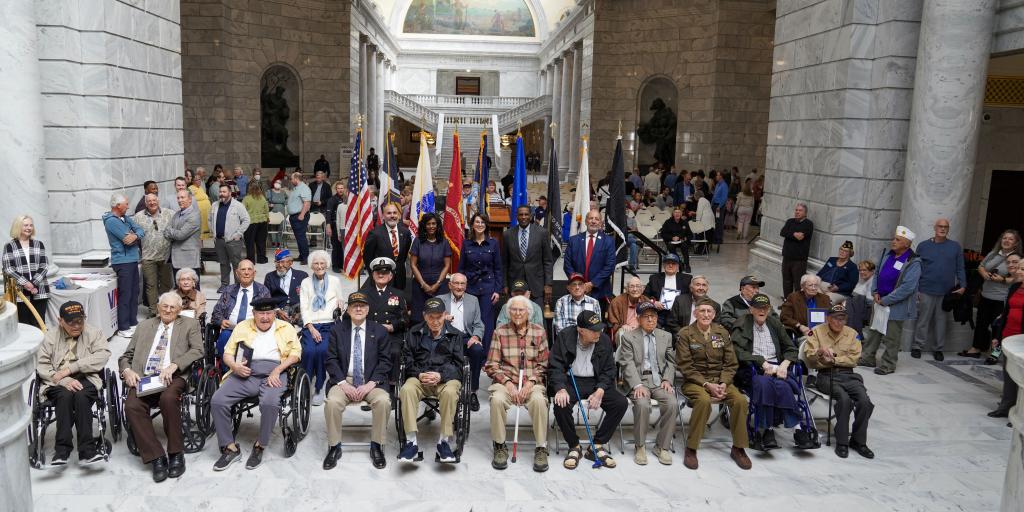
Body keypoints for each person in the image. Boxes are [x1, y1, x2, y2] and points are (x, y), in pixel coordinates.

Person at [118, 292, 203, 482]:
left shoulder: (190, 325)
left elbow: (198, 350)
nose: (168, 310)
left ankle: (175, 452)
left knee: (168, 399)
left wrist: (175, 365)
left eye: (173, 307)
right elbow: (126, 356)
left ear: (180, 310)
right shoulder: (145, 326)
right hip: (145, 377)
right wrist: (127, 371)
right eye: (164, 306)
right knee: (132, 406)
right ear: (158, 307)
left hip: (173, 377)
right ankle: (156, 456)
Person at [211, 296, 302, 471]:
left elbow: (296, 353)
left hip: (276, 371)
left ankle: (260, 445)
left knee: (269, 402)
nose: (265, 317)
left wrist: (278, 370)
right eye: (261, 313)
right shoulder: (243, 326)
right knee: (218, 400)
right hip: (246, 371)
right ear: (254, 313)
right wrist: (235, 366)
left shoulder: (286, 327)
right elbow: (227, 353)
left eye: (269, 313)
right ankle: (229, 447)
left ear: (274, 313)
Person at [731, 294, 817, 451]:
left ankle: (797, 430)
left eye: (765, 308)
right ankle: (767, 429)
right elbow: (737, 351)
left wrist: (784, 364)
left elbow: (791, 348)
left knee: (782, 386)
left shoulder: (774, 324)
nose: (761, 311)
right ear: (751, 309)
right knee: (765, 383)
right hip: (753, 369)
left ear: (769, 309)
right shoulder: (742, 324)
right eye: (758, 308)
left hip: (777, 368)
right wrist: (760, 362)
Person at [675, 299, 751, 470]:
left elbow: (731, 363)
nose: (706, 315)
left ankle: (738, 448)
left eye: (709, 311)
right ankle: (691, 448)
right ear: (695, 313)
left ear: (714, 315)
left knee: (740, 401)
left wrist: (724, 383)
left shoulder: (722, 332)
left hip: (721, 380)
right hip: (695, 382)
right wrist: (707, 385)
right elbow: (685, 366)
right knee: (703, 401)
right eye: (702, 311)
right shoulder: (685, 334)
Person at [35, 301, 111, 466]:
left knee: (82, 397)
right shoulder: (49, 337)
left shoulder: (94, 333)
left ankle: (87, 451)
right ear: (60, 320)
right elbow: (42, 366)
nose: (77, 326)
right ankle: (62, 450)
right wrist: (62, 379)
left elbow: (103, 355)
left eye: (80, 321)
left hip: (87, 376)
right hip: (56, 380)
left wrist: (71, 369)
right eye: (71, 322)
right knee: (65, 397)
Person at [549, 310, 627, 469]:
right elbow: (554, 366)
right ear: (581, 330)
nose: (599, 332)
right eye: (594, 330)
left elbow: (610, 370)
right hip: (571, 380)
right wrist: (560, 388)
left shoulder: (603, 340)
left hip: (596, 380)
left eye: (600, 328)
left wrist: (600, 390)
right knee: (560, 404)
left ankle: (597, 444)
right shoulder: (565, 337)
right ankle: (574, 445)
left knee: (620, 403)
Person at [322, 292, 392, 469]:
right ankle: (334, 446)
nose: (358, 308)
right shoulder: (338, 330)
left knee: (383, 401)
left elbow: (385, 361)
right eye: (354, 306)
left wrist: (370, 384)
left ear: (368, 309)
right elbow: (331, 360)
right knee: (332, 403)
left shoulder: (380, 331)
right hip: (344, 380)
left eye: (362, 306)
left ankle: (376, 445)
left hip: (371, 381)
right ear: (348, 310)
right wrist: (343, 384)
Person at [485, 295, 551, 472]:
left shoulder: (539, 332)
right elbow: (491, 365)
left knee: (538, 401)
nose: (517, 313)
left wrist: (530, 383)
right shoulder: (499, 332)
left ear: (528, 312)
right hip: (506, 383)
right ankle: (500, 446)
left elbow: (544, 364)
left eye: (521, 309)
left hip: (531, 382)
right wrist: (508, 384)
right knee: (497, 400)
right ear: (508, 312)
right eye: (513, 309)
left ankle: (541, 447)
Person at [397, 297, 466, 463]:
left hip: (445, 379)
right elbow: (407, 360)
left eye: (439, 317)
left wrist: (440, 375)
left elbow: (458, 365)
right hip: (420, 378)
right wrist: (420, 374)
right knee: (406, 389)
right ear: (424, 316)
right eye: (431, 317)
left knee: (450, 392)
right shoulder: (414, 332)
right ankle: (410, 442)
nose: (435, 322)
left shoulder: (456, 335)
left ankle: (444, 441)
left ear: (445, 315)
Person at [805, 304, 875, 459]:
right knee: (844, 400)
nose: (839, 322)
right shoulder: (816, 332)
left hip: (849, 375)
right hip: (825, 375)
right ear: (828, 318)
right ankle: (842, 442)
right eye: (836, 318)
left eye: (843, 319)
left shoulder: (852, 334)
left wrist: (834, 359)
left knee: (865, 401)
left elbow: (854, 359)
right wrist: (820, 352)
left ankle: (858, 440)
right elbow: (809, 356)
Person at [615, 302, 678, 466]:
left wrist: (667, 379)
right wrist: (637, 385)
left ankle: (662, 446)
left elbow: (672, 362)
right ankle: (640, 446)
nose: (651, 319)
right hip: (638, 379)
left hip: (659, 380)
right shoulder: (628, 337)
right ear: (638, 318)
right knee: (642, 404)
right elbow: (626, 363)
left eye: (654, 316)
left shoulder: (666, 336)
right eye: (646, 316)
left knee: (672, 403)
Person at [859, 226, 921, 375]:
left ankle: (888, 365)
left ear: (907, 244)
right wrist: (875, 292)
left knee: (892, 337)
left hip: (895, 305)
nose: (893, 241)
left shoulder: (913, 262)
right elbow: (878, 274)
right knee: (874, 331)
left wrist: (886, 300)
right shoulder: (887, 254)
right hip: (879, 300)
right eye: (894, 238)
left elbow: (907, 287)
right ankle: (868, 357)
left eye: (898, 240)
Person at [912, 219, 967, 360]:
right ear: (935, 228)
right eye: (940, 226)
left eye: (945, 227)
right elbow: (916, 268)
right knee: (923, 320)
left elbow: (960, 268)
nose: (942, 229)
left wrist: (963, 286)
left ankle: (938, 349)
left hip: (946, 292)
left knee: (941, 322)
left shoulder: (955, 247)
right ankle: (917, 346)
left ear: (948, 229)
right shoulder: (923, 246)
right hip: (925, 289)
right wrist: (916, 288)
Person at [965, 230, 1022, 358]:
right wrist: (984, 273)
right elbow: (981, 265)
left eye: (1010, 239)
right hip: (986, 295)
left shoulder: (1016, 259)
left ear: (1016, 243)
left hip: (1002, 298)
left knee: (997, 327)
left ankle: (995, 353)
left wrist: (1002, 280)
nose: (1006, 241)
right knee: (981, 323)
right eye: (1004, 238)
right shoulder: (993, 253)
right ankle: (976, 348)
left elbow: (1018, 278)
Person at [299, 250, 344, 406]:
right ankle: (306, 383)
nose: (319, 266)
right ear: (311, 266)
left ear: (327, 264)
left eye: (322, 263)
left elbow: (340, 301)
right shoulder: (305, 282)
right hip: (311, 324)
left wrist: (341, 306)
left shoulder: (334, 281)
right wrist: (311, 328)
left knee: (323, 350)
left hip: (329, 324)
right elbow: (304, 308)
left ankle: (320, 386)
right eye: (316, 263)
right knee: (309, 351)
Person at [459, 212, 503, 358]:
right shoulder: (466, 244)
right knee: (470, 320)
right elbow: (461, 269)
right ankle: (472, 353)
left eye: (482, 222)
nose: (479, 225)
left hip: (488, 288)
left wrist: (497, 290)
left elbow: (498, 269)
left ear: (486, 225)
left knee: (486, 322)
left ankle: (486, 357)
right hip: (470, 288)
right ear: (472, 225)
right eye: (477, 222)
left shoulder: (493, 243)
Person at [360, 257, 409, 385]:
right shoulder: (363, 294)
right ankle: (369, 386)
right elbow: (353, 317)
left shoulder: (398, 294)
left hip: (391, 336)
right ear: (373, 274)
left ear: (391, 276)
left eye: (385, 272)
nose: (381, 275)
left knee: (394, 352)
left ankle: (392, 386)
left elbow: (405, 319)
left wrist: (392, 326)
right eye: (378, 272)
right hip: (368, 334)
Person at [439, 273, 485, 410]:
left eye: (462, 284)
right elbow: (430, 321)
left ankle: (472, 391)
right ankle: (440, 390)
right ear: (450, 285)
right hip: (445, 337)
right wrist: (442, 319)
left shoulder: (473, 300)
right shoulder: (440, 299)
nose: (459, 287)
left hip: (465, 338)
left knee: (477, 350)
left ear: (466, 286)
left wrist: (475, 337)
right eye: (456, 283)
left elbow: (478, 324)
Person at [103, 193, 145, 338]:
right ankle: (123, 327)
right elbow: (128, 240)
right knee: (126, 294)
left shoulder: (125, 218)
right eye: (126, 204)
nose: (128, 206)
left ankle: (132, 322)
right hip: (122, 262)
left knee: (134, 292)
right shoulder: (112, 221)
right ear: (118, 205)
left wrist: (135, 235)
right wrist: (135, 237)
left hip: (132, 260)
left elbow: (140, 230)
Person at [987, 257, 1024, 418]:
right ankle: (1006, 406)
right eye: (1019, 268)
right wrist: (998, 335)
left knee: (1021, 377)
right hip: (1008, 334)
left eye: (1022, 269)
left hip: (1021, 339)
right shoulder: (1015, 286)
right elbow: (1006, 312)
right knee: (1009, 373)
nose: (1017, 270)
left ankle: (1019, 413)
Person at [210, 260, 271, 356]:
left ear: (254, 273)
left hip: (254, 329)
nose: (246, 272)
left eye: (249, 269)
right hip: (231, 330)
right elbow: (216, 312)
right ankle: (227, 369)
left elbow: (268, 314)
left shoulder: (263, 291)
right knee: (225, 336)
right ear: (237, 273)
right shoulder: (229, 290)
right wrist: (221, 321)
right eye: (243, 269)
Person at [564, 209, 616, 312]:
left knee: (596, 325)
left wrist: (592, 284)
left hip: (599, 291)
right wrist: (578, 283)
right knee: (575, 322)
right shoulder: (574, 240)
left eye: (597, 219)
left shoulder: (609, 241)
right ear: (586, 221)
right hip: (576, 290)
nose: (593, 221)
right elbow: (567, 264)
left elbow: (609, 266)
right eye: (591, 218)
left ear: (601, 223)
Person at [3, 215, 50, 326]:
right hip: (20, 293)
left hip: (40, 290)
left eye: (31, 225)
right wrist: (26, 283)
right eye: (25, 225)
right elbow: (8, 268)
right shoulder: (9, 246)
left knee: (39, 323)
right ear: (18, 227)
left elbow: (44, 266)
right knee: (24, 325)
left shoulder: (39, 244)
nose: (29, 228)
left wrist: (33, 283)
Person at [503, 205, 554, 308]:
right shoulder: (507, 234)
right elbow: (504, 263)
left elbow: (548, 261)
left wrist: (548, 284)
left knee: (537, 318)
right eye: (521, 214)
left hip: (537, 285)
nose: (523, 217)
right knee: (516, 316)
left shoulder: (542, 233)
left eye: (526, 214)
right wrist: (505, 285)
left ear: (531, 216)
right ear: (516, 216)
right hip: (515, 285)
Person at [133, 194, 174, 316]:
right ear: (145, 203)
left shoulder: (169, 213)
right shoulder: (138, 216)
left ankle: (164, 309)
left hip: (166, 256)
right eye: (149, 201)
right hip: (148, 257)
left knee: (166, 284)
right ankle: (152, 311)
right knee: (151, 285)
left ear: (158, 201)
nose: (152, 203)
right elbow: (133, 234)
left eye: (154, 200)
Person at [410, 212, 452, 319]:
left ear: (437, 225)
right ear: (424, 225)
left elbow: (447, 265)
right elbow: (413, 265)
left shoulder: (444, 242)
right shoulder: (417, 241)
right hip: (420, 284)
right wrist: (423, 284)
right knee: (418, 317)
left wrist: (437, 284)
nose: (431, 226)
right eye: (428, 224)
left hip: (440, 285)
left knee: (439, 316)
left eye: (434, 224)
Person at [209, 184, 250, 290]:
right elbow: (210, 219)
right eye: (220, 192)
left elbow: (246, 220)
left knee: (236, 264)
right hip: (219, 240)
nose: (221, 194)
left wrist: (238, 234)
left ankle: (238, 285)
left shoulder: (237, 205)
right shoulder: (214, 205)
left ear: (230, 193)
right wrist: (212, 231)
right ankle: (224, 284)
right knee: (223, 263)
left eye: (224, 192)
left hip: (233, 241)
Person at [363, 202, 413, 290]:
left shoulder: (405, 232)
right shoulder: (375, 234)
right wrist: (375, 275)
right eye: (389, 213)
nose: (392, 215)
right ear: (383, 216)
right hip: (381, 278)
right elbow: (368, 257)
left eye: (395, 213)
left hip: (400, 279)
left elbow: (403, 256)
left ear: (399, 215)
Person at [164, 190, 201, 289]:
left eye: (182, 197)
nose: (180, 200)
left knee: (193, 290)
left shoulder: (194, 215)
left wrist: (170, 231)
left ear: (190, 199)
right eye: (178, 198)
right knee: (179, 290)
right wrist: (171, 231)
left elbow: (181, 235)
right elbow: (166, 232)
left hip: (189, 259)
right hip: (176, 258)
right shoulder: (177, 214)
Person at [644, 253, 691, 325]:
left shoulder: (687, 279)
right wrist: (654, 303)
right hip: (659, 314)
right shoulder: (654, 278)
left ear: (678, 266)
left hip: (679, 315)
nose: (670, 265)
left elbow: (691, 297)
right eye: (668, 263)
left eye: (673, 263)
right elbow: (644, 296)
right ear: (663, 265)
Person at [779, 203, 813, 297]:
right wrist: (794, 234)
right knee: (786, 281)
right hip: (787, 257)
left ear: (805, 213)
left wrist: (789, 233)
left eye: (800, 210)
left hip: (799, 260)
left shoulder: (808, 224)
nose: (797, 212)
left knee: (798, 284)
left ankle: (797, 303)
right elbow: (783, 232)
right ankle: (787, 301)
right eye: (796, 210)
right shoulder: (790, 221)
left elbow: (800, 237)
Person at [263, 248, 307, 319]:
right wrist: (277, 310)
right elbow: (267, 297)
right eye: (277, 262)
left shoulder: (302, 276)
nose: (280, 265)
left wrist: (300, 312)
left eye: (283, 262)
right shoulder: (269, 277)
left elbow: (307, 297)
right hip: (277, 312)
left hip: (298, 312)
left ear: (291, 262)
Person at [287, 171, 312, 264]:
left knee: (301, 237)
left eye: (292, 179)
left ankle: (305, 257)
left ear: (296, 179)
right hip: (294, 216)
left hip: (300, 216)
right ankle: (301, 256)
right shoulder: (296, 188)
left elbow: (307, 203)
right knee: (298, 237)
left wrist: (302, 215)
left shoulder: (304, 188)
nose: (291, 180)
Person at [242, 182, 270, 264]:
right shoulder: (262, 198)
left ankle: (251, 259)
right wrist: (267, 218)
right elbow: (266, 209)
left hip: (251, 222)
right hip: (263, 222)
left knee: (250, 241)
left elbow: (243, 211)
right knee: (261, 241)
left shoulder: (246, 198)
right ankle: (261, 258)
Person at [847, 260, 876, 335]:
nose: (861, 272)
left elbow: (869, 302)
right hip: (856, 307)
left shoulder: (872, 281)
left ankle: (854, 334)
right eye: (860, 270)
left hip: (866, 310)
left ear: (872, 271)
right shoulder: (862, 280)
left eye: (864, 270)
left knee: (855, 300)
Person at [660, 207, 692, 272]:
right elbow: (663, 234)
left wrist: (684, 238)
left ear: (681, 214)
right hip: (671, 241)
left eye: (679, 212)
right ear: (673, 214)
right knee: (671, 247)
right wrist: (672, 238)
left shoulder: (684, 222)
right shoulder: (668, 222)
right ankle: (680, 263)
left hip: (681, 241)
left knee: (685, 247)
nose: (677, 214)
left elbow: (690, 234)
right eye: (675, 212)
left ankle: (687, 265)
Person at [325, 181, 346, 272]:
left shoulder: (346, 199)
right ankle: (335, 266)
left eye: (342, 188)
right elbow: (328, 214)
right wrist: (328, 226)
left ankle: (341, 264)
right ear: (336, 189)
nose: (340, 190)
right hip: (334, 225)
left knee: (342, 246)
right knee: (336, 246)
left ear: (344, 189)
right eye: (338, 188)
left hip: (343, 225)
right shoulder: (332, 200)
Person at [188, 169, 212, 240]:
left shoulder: (201, 188)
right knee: (200, 234)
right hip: (199, 213)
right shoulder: (190, 188)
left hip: (206, 212)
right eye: (196, 180)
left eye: (199, 179)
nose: (199, 181)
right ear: (192, 181)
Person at [267, 180, 289, 248]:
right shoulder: (269, 191)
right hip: (273, 210)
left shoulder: (283, 192)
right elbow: (265, 200)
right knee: (273, 226)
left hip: (281, 210)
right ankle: (273, 242)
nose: (277, 184)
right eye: (276, 182)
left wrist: (285, 203)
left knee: (281, 226)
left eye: (279, 183)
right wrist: (269, 204)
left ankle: (279, 242)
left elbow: (287, 199)